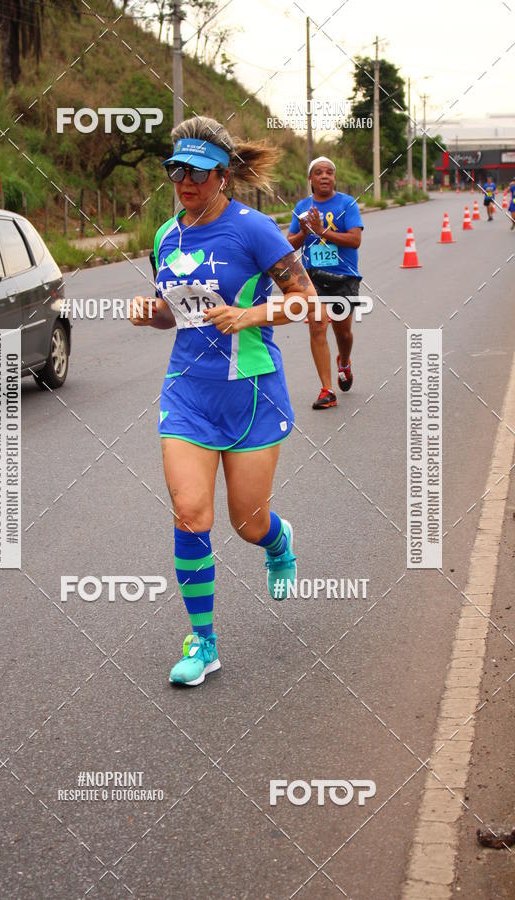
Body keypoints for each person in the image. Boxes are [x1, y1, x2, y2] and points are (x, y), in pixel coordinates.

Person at [131, 116, 313, 687]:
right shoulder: (165, 235)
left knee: (246, 522)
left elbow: (304, 300)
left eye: (198, 173)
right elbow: (172, 314)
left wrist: (250, 315)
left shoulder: (255, 230)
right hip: (187, 394)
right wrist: (150, 312)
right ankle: (203, 642)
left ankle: (277, 541)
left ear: (224, 176)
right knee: (191, 514)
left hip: (251, 394)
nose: (185, 182)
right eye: (176, 170)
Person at [287, 157, 364, 409]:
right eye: (318, 172)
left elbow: (354, 240)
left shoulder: (347, 203)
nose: (324, 176)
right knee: (317, 326)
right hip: (313, 277)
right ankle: (327, 389)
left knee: (342, 332)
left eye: (329, 172)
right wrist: (304, 232)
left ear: (334, 178)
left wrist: (321, 231)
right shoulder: (302, 207)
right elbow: (288, 245)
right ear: (310, 179)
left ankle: (344, 360)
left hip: (344, 277)